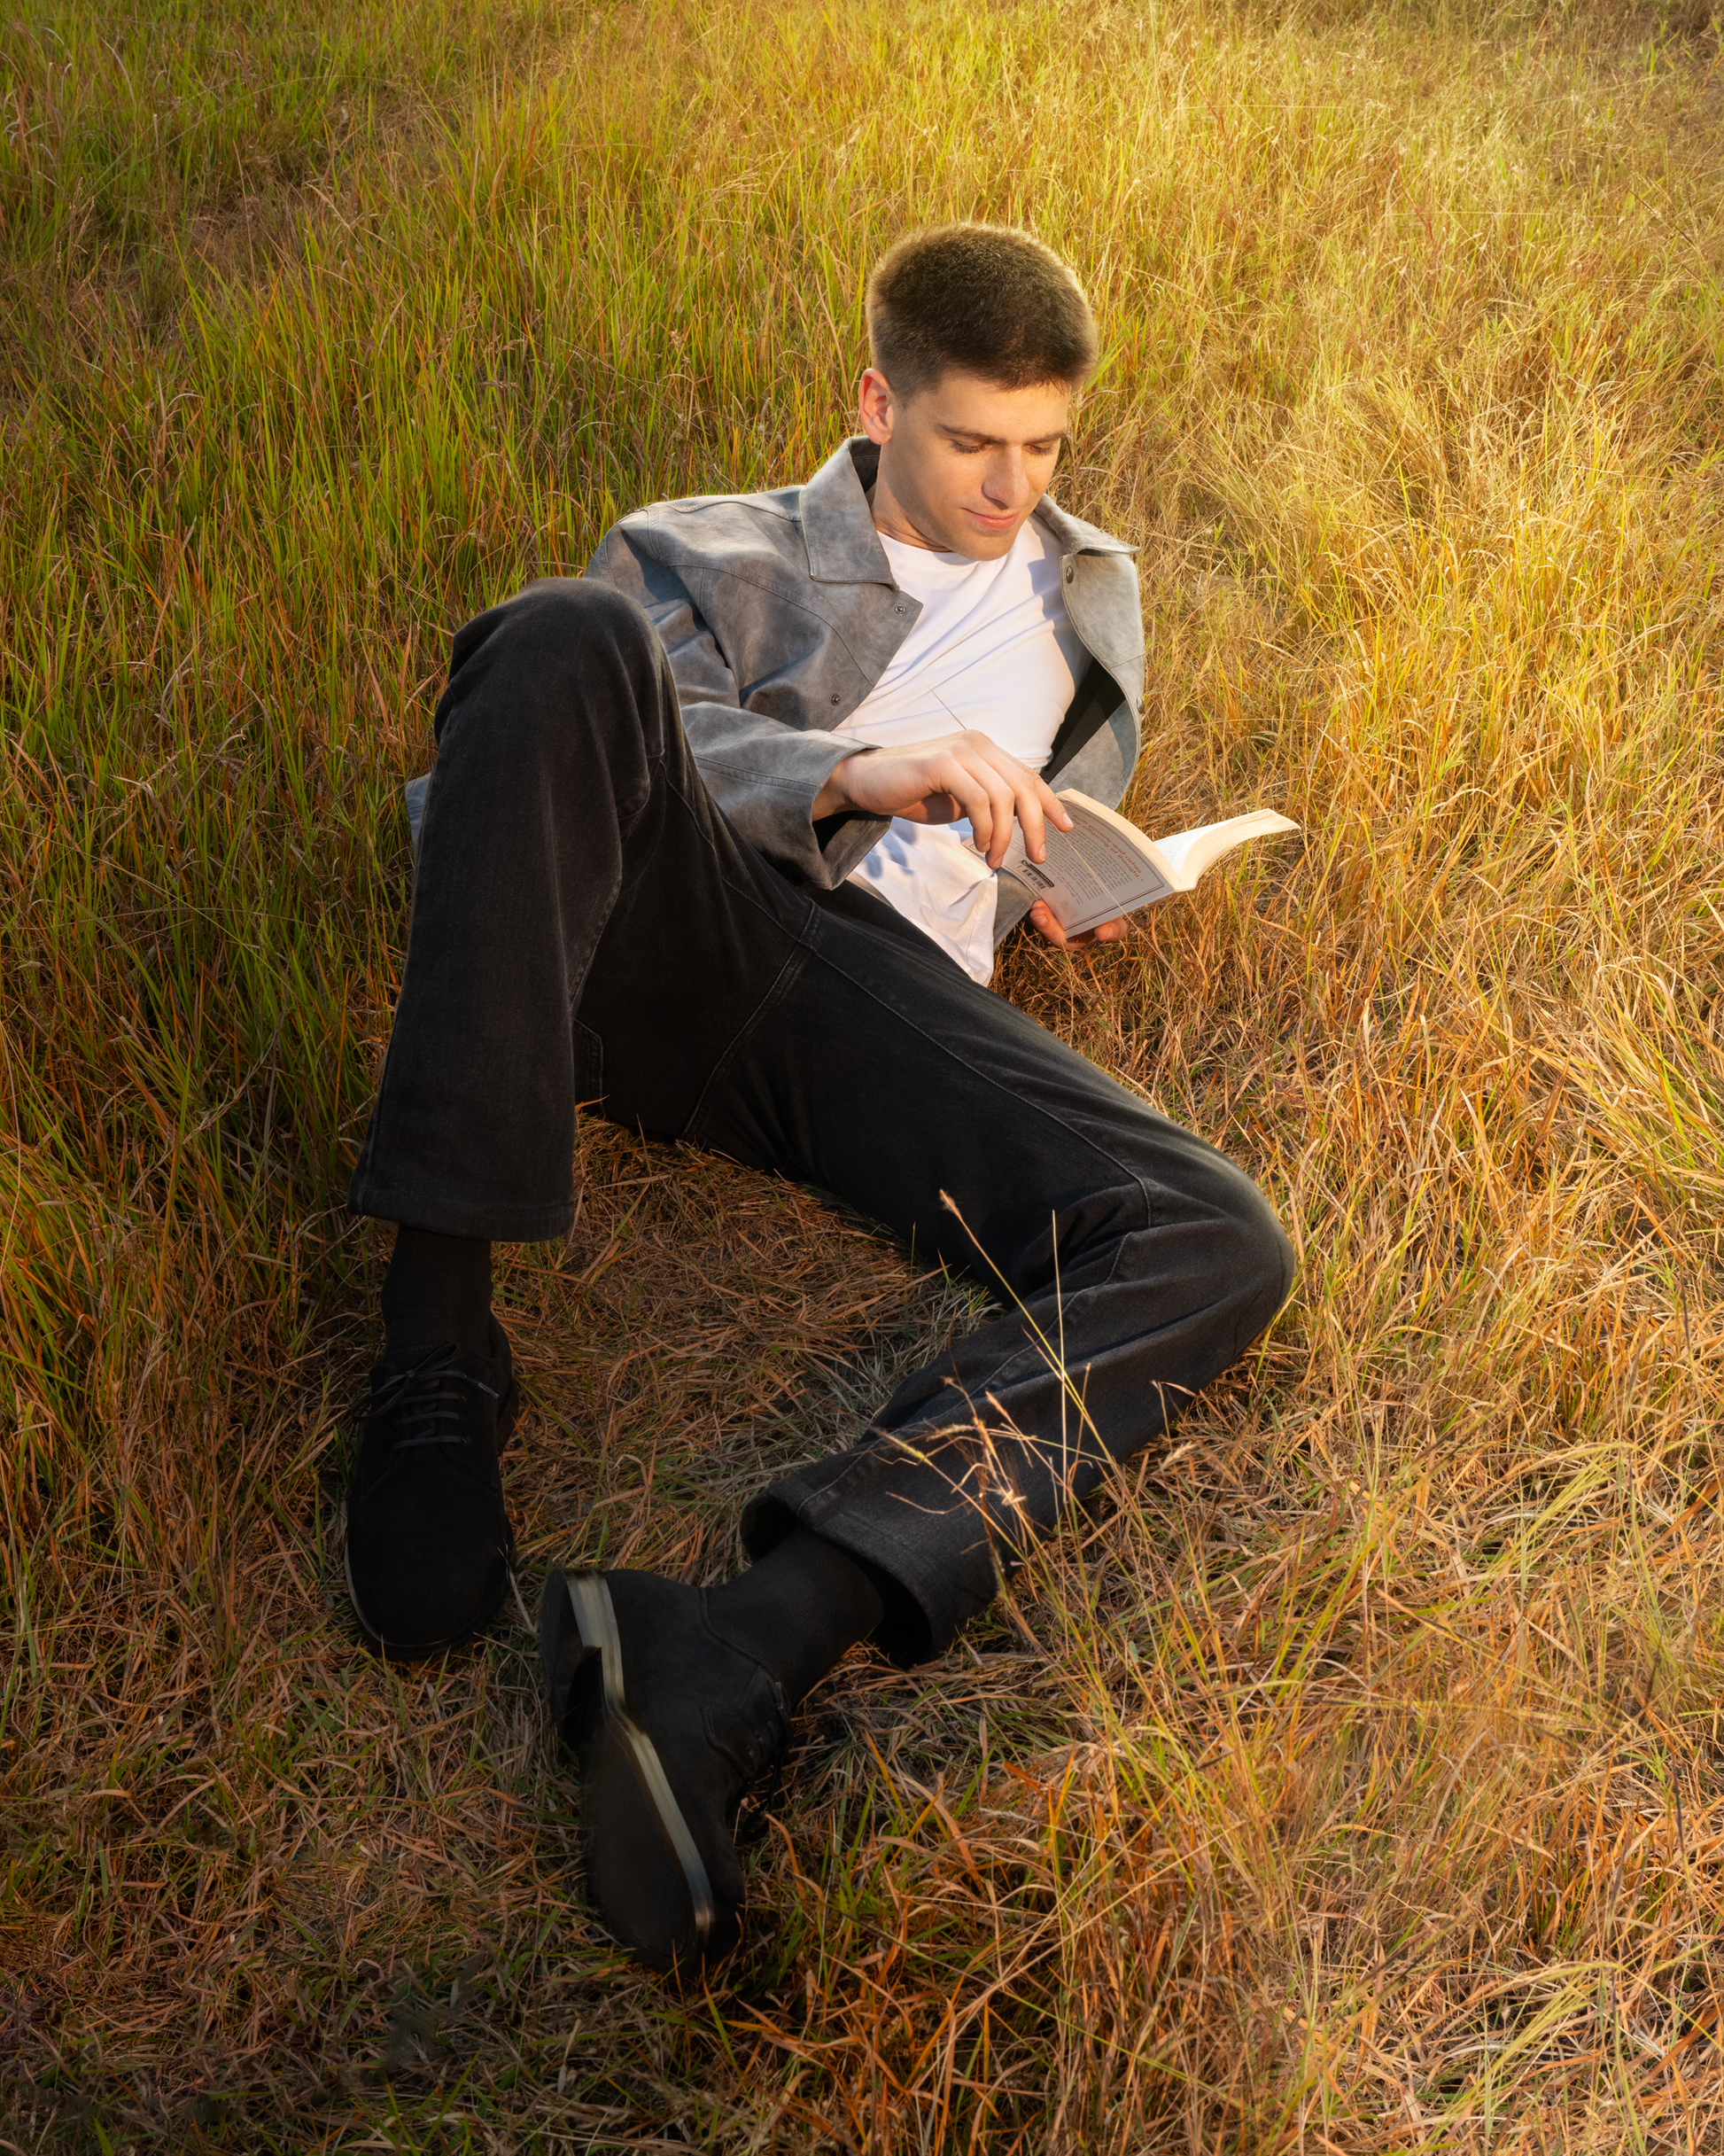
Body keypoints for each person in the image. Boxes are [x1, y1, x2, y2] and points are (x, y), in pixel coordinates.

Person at [340, 225, 1293, 1971]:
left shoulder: (1096, 593)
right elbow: (600, 754)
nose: (1009, 488)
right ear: (875, 406)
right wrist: (860, 770)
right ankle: (433, 1360)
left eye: (1043, 449)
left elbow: (1044, 820)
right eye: (967, 444)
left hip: (883, 1011)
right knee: (554, 638)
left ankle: (746, 1638)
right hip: (701, 923)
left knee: (1218, 1233)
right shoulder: (710, 548)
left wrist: (1084, 872)